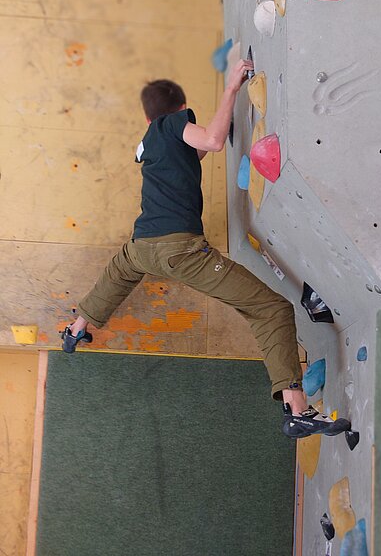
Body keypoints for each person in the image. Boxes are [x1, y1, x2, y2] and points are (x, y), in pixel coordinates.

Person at [61, 58, 348, 439]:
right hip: (178, 248)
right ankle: (297, 409)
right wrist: (231, 88)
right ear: (181, 109)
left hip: (140, 246)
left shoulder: (149, 144)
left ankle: (76, 326)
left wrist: (222, 118)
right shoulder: (170, 125)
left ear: (146, 117)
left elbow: (198, 149)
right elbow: (212, 140)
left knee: (118, 274)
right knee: (272, 309)